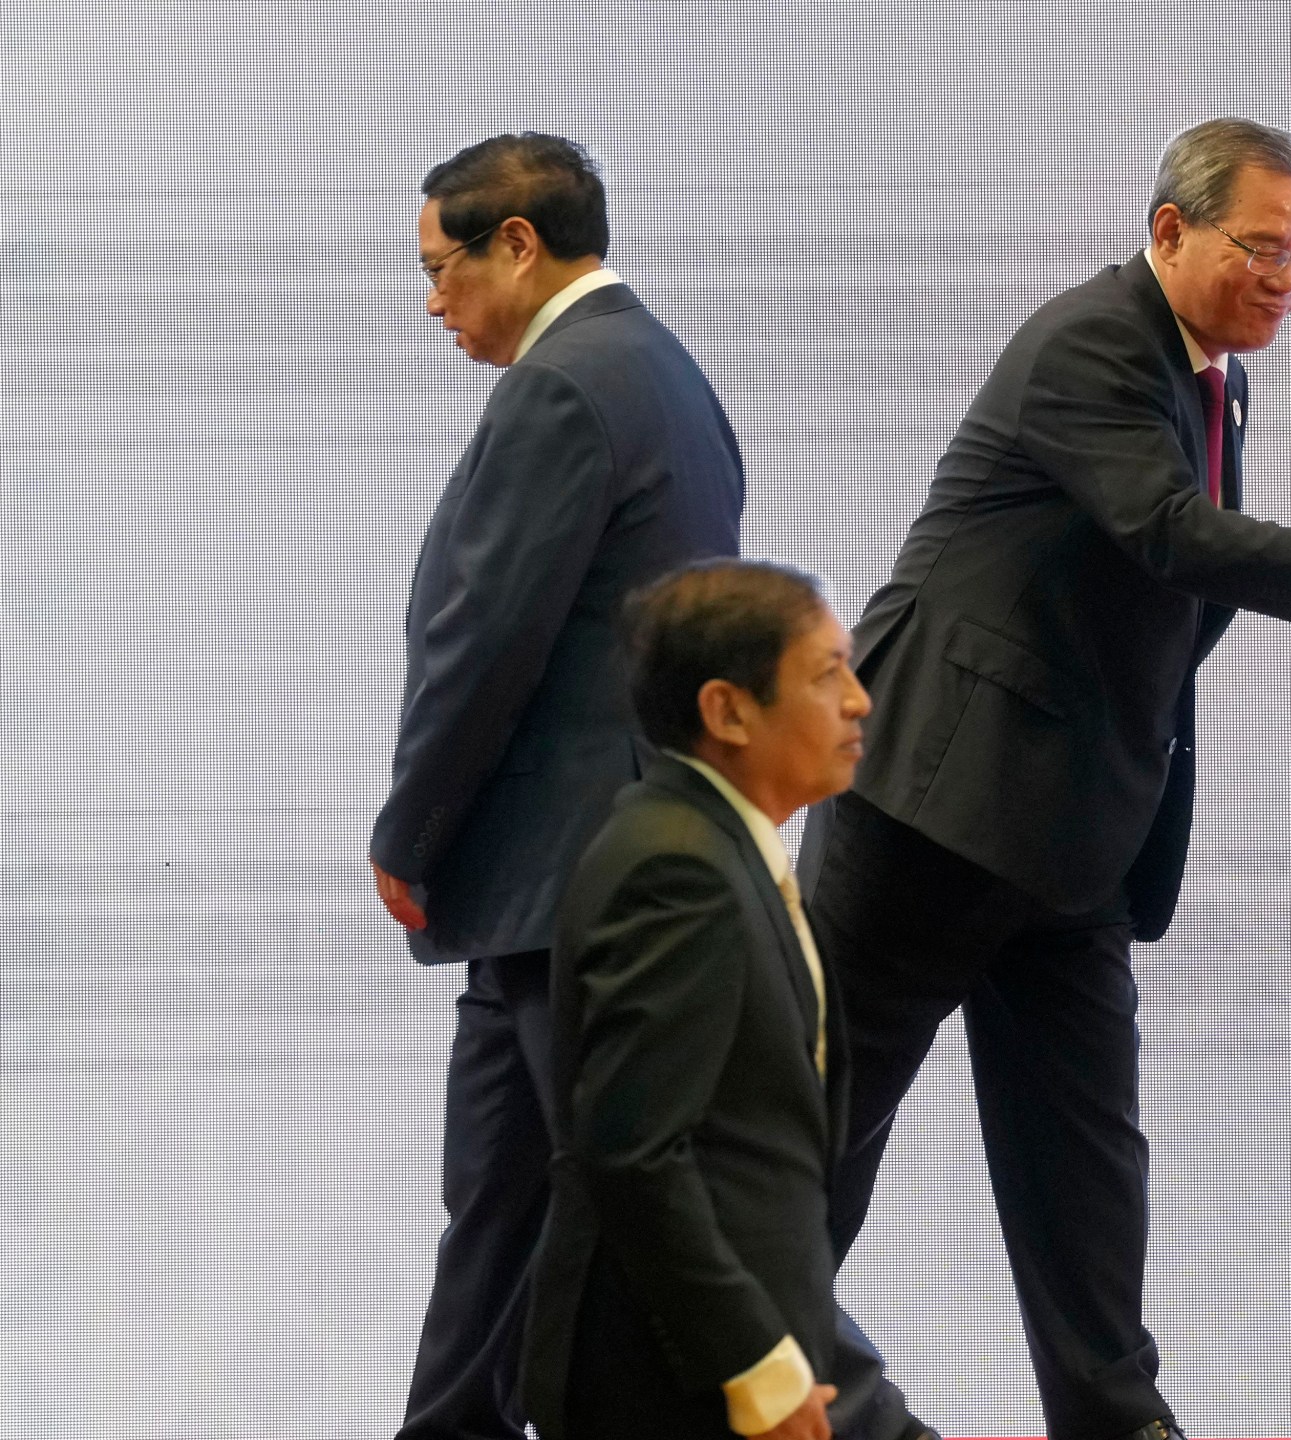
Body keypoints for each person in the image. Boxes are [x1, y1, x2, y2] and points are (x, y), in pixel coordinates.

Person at [794, 116, 1291, 1440]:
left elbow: (1169, 595)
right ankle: (729, 1389)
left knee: (1087, 1174)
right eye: (1263, 249)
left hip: (1071, 839)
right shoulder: (1091, 340)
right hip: (934, 814)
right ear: (1169, 228)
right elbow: (1171, 535)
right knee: (809, 1154)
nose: (1287, 280)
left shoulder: (1219, 376)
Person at [368, 132, 747, 1440]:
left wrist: (407, 835)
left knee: (615, 1217)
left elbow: (487, 643)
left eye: (441, 268)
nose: (435, 302)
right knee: (503, 1209)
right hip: (607, 884)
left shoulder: (561, 388)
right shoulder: (671, 379)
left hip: (564, 887)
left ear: (516, 244)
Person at [521, 559, 866, 1440]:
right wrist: (754, 1365)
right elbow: (633, 1154)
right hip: (668, 1385)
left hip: (751, 1358)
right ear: (727, 710)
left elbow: (745, 1163)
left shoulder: (721, 850)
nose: (859, 701)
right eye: (827, 675)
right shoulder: (679, 872)